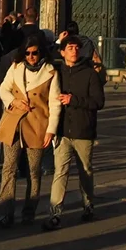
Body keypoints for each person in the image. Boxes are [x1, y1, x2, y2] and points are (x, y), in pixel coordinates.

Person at [0, 38, 59, 227]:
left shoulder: (50, 72)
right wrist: (13, 101)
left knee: (33, 171)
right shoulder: (16, 68)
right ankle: (5, 212)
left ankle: (29, 212)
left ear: (41, 53)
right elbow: (3, 89)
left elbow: (55, 103)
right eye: (28, 53)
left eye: (35, 53)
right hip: (13, 123)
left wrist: (51, 130)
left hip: (37, 124)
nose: (31, 57)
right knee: (9, 167)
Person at [48, 34, 104, 227]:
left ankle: (88, 205)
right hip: (63, 130)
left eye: (76, 48)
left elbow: (98, 101)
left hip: (83, 129)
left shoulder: (89, 74)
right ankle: (55, 211)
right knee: (60, 171)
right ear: (62, 52)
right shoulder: (56, 73)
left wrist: (74, 100)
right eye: (69, 48)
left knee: (85, 170)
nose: (74, 51)